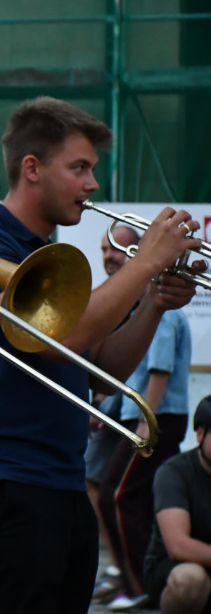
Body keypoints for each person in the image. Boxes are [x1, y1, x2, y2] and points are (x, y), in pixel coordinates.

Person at [0, 96, 202, 614]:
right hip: (4, 482)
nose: (93, 184)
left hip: (58, 479)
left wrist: (153, 302)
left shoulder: (52, 257)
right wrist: (144, 264)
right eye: (79, 168)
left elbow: (101, 371)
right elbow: (61, 338)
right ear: (32, 169)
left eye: (93, 170)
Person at [98, 246, 193, 611]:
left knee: (116, 494)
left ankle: (138, 584)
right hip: (148, 417)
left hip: (156, 418)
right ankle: (141, 580)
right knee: (138, 498)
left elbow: (159, 372)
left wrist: (144, 424)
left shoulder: (164, 313)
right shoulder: (146, 309)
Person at [87, 226, 139, 602]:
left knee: (114, 493)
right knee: (96, 485)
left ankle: (127, 571)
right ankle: (116, 564)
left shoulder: (140, 295)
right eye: (105, 248)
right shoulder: (107, 297)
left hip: (133, 414)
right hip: (113, 409)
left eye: (118, 249)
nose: (109, 255)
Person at [144, 395, 211, 614]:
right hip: (174, 567)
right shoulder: (174, 473)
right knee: (189, 580)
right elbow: (178, 546)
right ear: (200, 434)